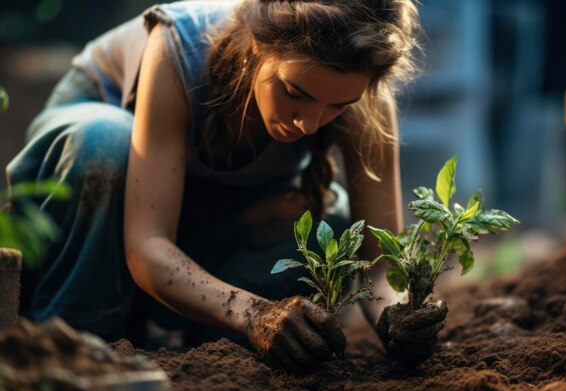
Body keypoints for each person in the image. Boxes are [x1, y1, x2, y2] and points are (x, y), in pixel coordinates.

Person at [6, 0, 447, 371]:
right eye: (295, 91)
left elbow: (377, 263)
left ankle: (182, 338)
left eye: (338, 105)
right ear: (258, 46)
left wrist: (399, 314)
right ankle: (76, 341)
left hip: (201, 217)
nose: (308, 122)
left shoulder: (366, 91)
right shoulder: (178, 43)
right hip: (92, 211)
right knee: (104, 141)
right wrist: (253, 314)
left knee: (325, 223)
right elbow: (147, 245)